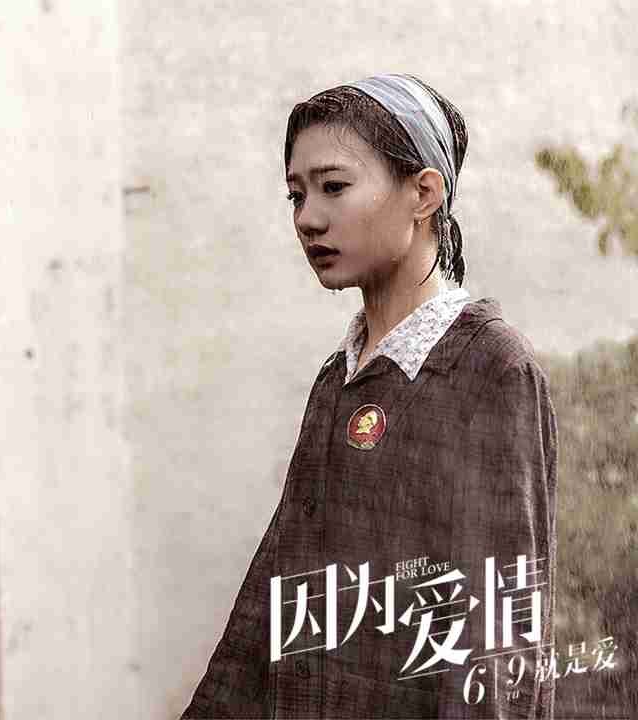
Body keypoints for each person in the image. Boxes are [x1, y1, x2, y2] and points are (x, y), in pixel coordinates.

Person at [183, 75, 557, 718]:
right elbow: (269, 606)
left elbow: (496, 653)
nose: (308, 218)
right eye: (296, 195)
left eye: (334, 187)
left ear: (423, 193)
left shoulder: (490, 368)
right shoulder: (339, 378)